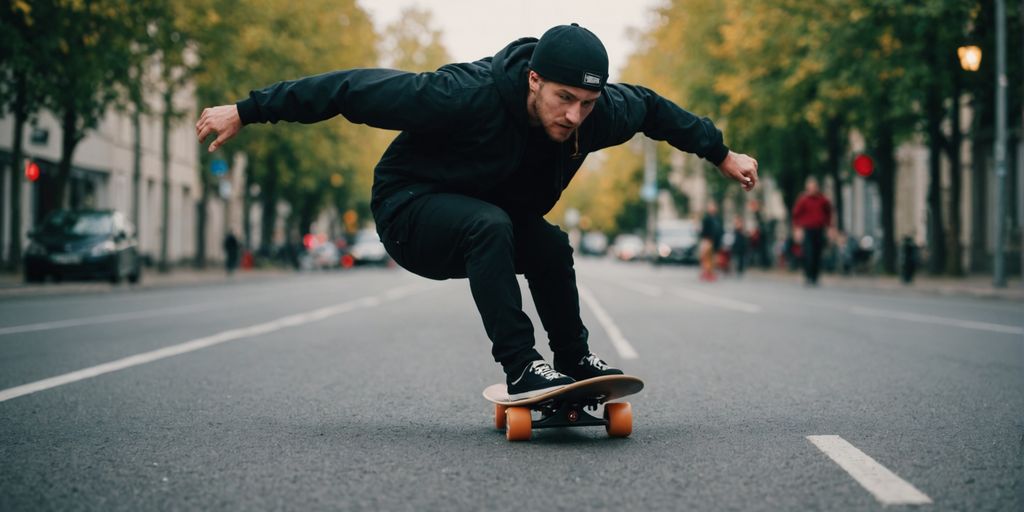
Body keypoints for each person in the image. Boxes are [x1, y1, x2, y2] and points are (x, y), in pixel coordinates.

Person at [195, 24, 758, 399]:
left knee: (550, 244)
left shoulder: (599, 113)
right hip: (409, 213)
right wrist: (247, 110)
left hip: (492, 219)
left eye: (587, 104)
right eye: (564, 99)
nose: (574, 117)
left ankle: (575, 361)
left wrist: (721, 153)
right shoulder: (462, 94)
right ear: (534, 80)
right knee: (487, 224)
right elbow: (351, 90)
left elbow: (656, 110)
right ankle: (521, 367)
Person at [791, 176, 832, 285]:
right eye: (810, 187)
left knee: (818, 253)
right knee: (809, 253)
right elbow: (796, 215)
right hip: (807, 230)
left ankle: (815, 276)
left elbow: (828, 213)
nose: (812, 189)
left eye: (814, 186)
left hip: (819, 229)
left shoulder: (822, 199)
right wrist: (797, 229)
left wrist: (829, 227)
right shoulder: (803, 199)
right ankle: (808, 276)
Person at [699, 201, 723, 281]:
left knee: (713, 259)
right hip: (708, 240)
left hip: (715, 241)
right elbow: (704, 231)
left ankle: (710, 272)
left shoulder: (718, 218)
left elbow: (720, 230)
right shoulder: (706, 219)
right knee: (707, 258)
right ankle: (707, 273)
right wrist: (706, 240)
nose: (712, 209)